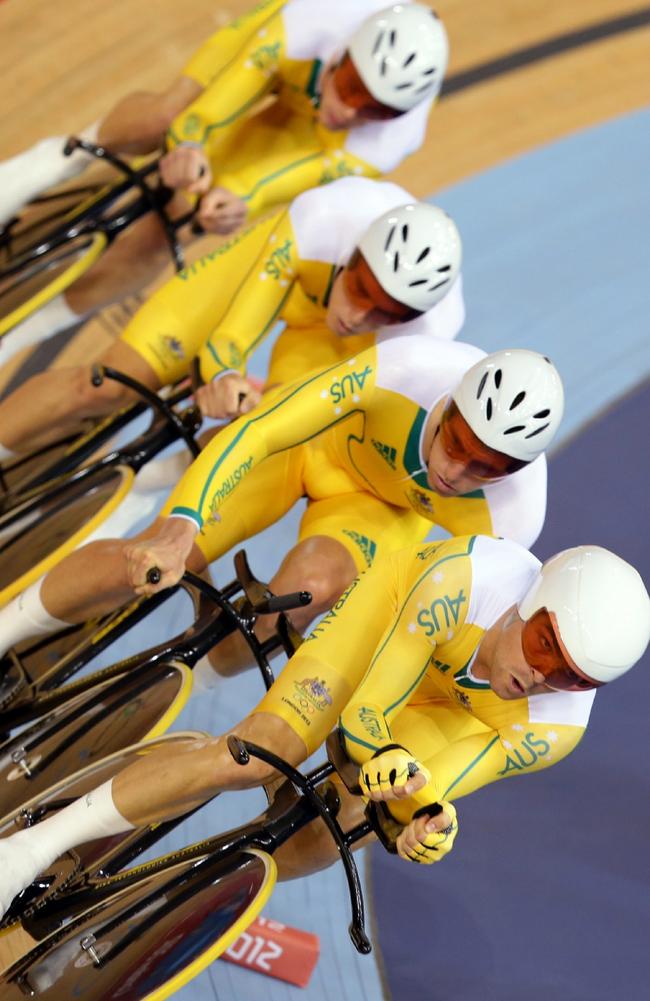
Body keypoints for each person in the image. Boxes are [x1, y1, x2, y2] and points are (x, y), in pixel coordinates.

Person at [1, 535, 647, 914]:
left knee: (353, 818)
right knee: (254, 754)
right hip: (389, 629)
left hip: (453, 713)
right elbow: (366, 714)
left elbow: (446, 774)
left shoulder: (557, 728)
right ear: (531, 603)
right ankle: (31, 848)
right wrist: (378, 756)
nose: (543, 676)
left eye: (572, 676)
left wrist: (424, 815)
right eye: (543, 646)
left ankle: (180, 900)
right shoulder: (463, 579)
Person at [0, 343, 564, 677]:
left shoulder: (514, 517)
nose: (452, 471)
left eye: (482, 470)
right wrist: (181, 526)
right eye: (453, 441)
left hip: (377, 517)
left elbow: (447, 620)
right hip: (313, 449)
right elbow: (262, 430)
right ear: (447, 403)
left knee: (258, 633)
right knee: (149, 554)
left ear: (513, 472)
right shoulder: (408, 368)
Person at [0, 1, 449, 354]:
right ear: (342, 56)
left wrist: (227, 203)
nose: (351, 110)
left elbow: (264, 185)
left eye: (375, 109)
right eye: (352, 86)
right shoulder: (311, 24)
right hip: (282, 67)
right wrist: (190, 140)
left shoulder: (381, 145)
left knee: (185, 217)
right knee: (168, 117)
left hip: (309, 139)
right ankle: (63, 157)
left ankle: (18, 337)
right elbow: (213, 106)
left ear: (394, 116)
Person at [0, 176, 464, 463]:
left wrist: (265, 409)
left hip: (336, 352)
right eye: (361, 290)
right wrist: (224, 372)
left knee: (259, 438)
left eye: (386, 312)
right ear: (352, 256)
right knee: (109, 382)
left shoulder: (425, 340)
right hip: (281, 276)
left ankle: (139, 487)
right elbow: (235, 328)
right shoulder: (322, 220)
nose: (359, 315)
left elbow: (320, 421)